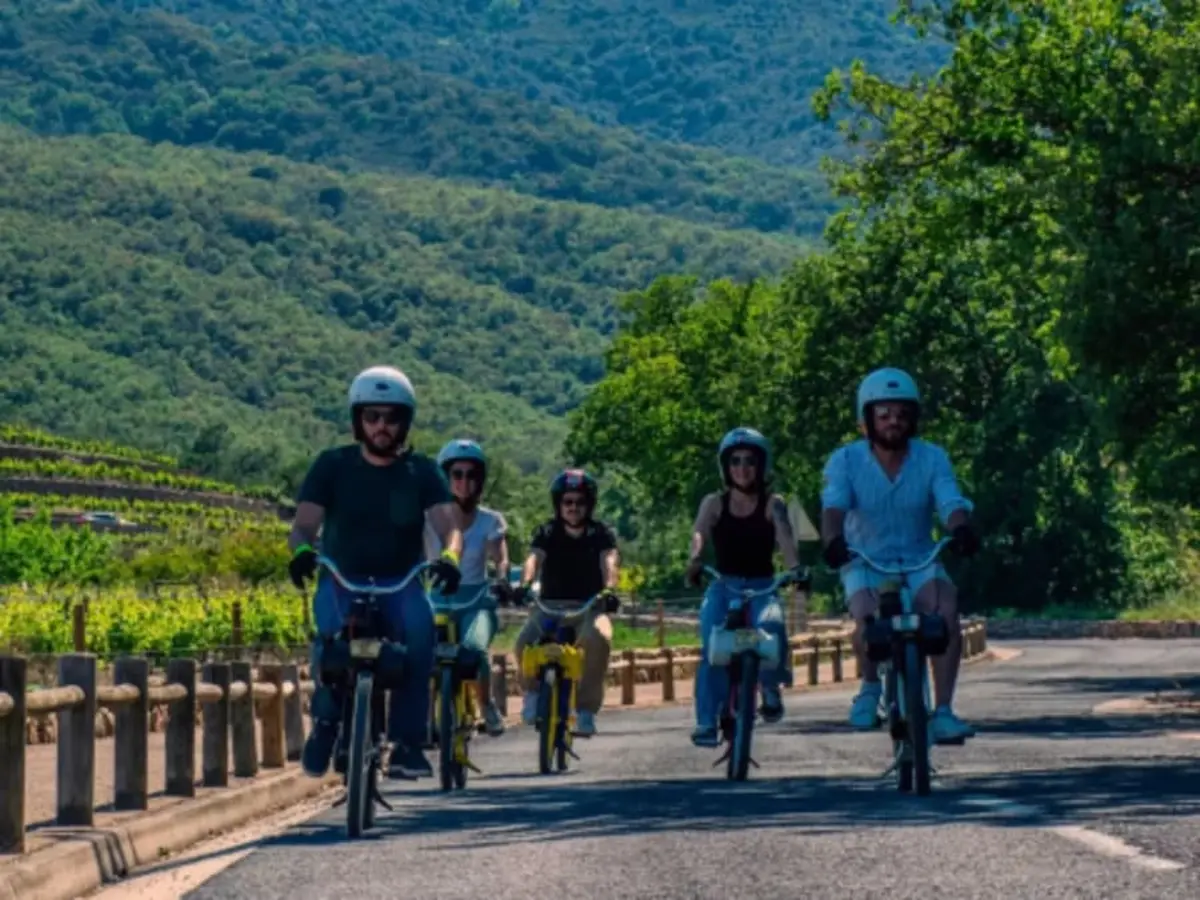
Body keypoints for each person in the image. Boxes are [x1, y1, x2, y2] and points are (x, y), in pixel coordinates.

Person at [289, 365, 464, 780]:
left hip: (401, 582)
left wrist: (451, 557)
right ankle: (326, 724)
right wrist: (300, 551)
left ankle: (406, 743)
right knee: (330, 644)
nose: (381, 426)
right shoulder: (332, 466)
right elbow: (303, 525)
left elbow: (448, 526)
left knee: (421, 635)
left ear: (405, 422)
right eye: (372, 417)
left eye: (391, 417)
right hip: (341, 578)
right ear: (357, 421)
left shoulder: (421, 471)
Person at [819, 367, 980, 744]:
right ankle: (870, 687)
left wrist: (960, 528)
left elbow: (950, 501)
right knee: (866, 618)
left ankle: (943, 712)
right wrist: (831, 541)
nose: (894, 422)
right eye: (884, 414)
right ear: (867, 419)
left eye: (902, 414)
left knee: (946, 613)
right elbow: (833, 508)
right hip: (865, 559)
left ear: (914, 418)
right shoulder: (844, 461)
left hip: (921, 558)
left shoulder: (933, 458)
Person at [684, 427, 803, 748]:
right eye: (735, 461)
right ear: (725, 466)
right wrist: (695, 560)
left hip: (763, 585)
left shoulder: (772, 503)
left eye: (750, 461)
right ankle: (706, 722)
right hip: (723, 585)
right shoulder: (714, 502)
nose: (742, 468)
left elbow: (786, 539)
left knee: (772, 627)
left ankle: (770, 687)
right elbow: (699, 533)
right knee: (711, 646)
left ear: (762, 465)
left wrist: (794, 570)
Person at [510, 469, 621, 738]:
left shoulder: (601, 533)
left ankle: (584, 712)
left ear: (589, 505)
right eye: (568, 502)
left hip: (589, 607)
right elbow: (533, 559)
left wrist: (609, 590)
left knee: (599, 639)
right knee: (523, 643)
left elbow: (610, 562)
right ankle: (533, 695)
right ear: (559, 504)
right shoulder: (547, 531)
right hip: (549, 606)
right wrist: (525, 584)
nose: (573, 508)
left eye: (580, 502)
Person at [424, 438, 510, 737]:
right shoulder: (427, 519)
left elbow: (499, 557)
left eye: (472, 474)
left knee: (474, 650)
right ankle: (423, 715)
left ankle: (487, 706)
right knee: (419, 653)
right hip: (434, 601)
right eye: (457, 474)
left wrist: (502, 578)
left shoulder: (491, 521)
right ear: (445, 478)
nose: (464, 481)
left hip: (476, 600)